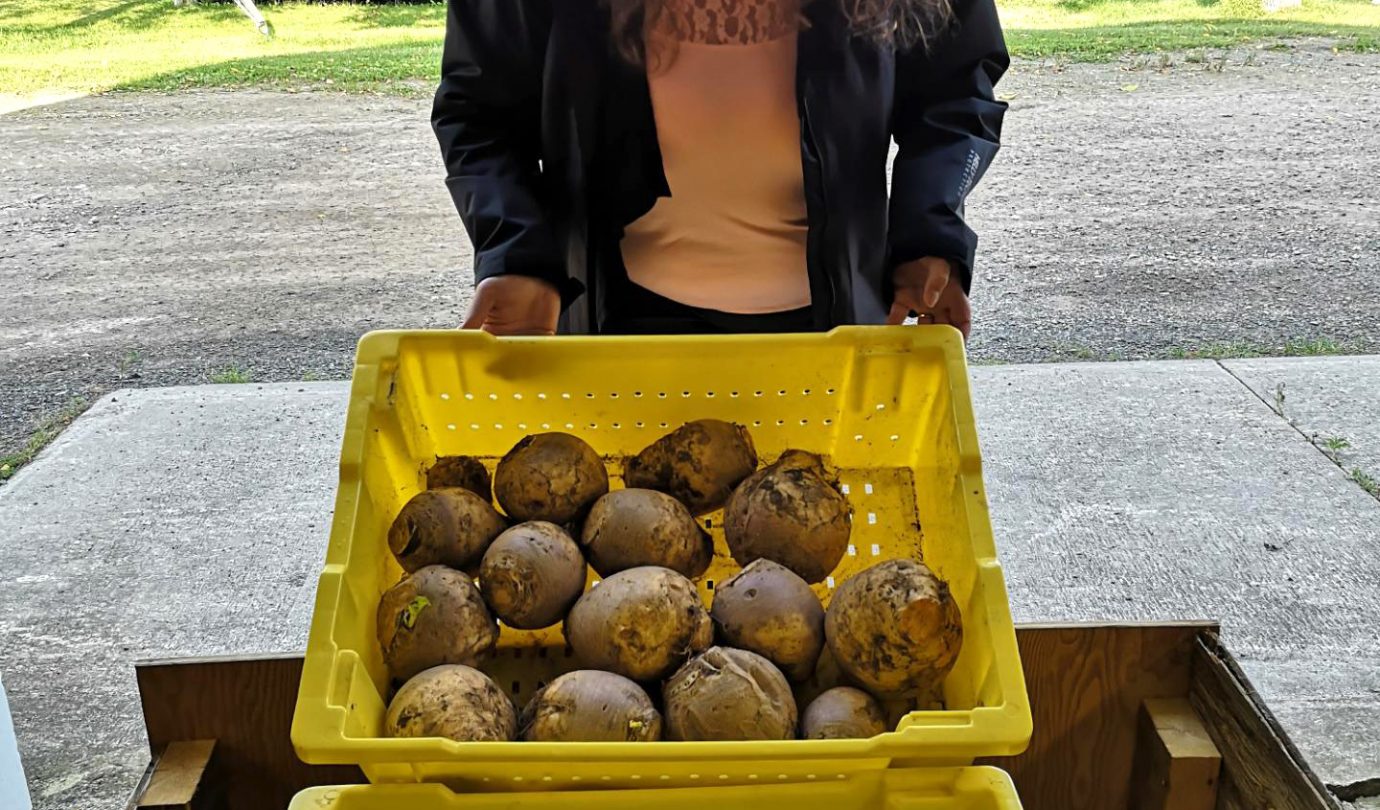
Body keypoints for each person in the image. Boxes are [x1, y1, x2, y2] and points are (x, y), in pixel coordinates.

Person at [433, 0, 1007, 338]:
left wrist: (928, 230)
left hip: (833, 326)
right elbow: (481, 112)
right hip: (613, 324)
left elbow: (953, 95)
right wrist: (518, 256)